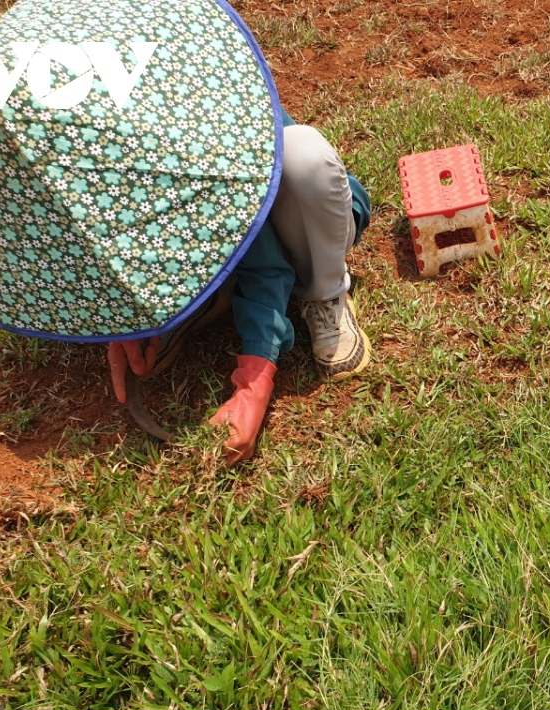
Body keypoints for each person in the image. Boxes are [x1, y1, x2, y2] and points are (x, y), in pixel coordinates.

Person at [107, 113, 373, 465]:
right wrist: (120, 311)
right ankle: (209, 295)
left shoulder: (185, 115)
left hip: (298, 205)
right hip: (208, 218)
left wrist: (255, 377)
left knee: (304, 156)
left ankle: (323, 289)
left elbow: (261, 255)